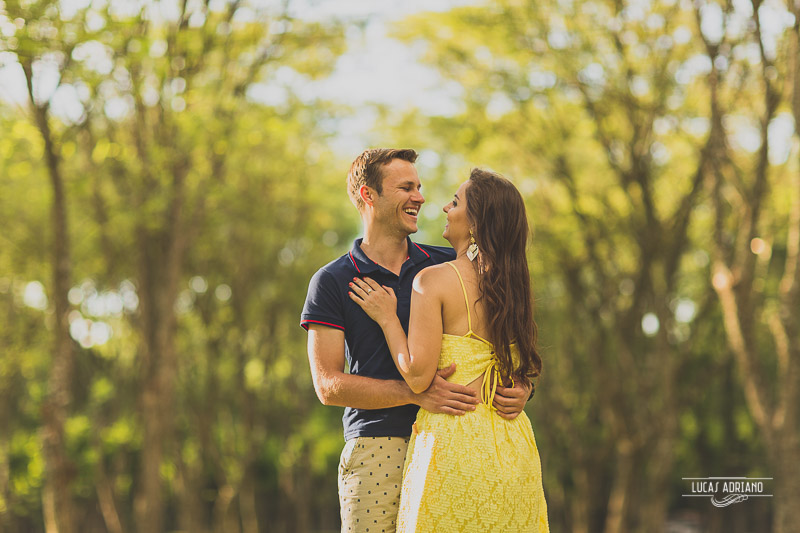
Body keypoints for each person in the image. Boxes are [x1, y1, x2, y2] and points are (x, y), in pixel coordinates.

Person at [301, 149, 533, 532]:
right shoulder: (332, 281)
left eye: (420, 186)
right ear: (368, 195)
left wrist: (523, 387)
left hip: (450, 443)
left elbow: (502, 339)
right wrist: (414, 394)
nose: (421, 197)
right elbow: (328, 385)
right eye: (406, 187)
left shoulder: (446, 266)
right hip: (379, 446)